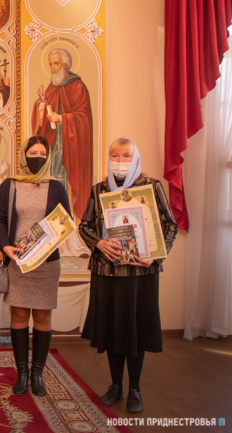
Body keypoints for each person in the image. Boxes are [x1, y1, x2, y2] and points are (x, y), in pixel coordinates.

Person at [79, 138, 178, 413]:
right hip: (107, 272)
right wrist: (99, 243)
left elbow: (170, 224)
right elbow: (84, 226)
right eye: (115, 155)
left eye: (126, 156)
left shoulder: (152, 187)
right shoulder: (98, 190)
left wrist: (156, 254)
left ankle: (135, 388)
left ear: (135, 159)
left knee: (136, 330)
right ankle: (115, 386)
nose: (120, 161)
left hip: (140, 274)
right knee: (112, 329)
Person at [0, 135, 71, 397]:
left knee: (42, 317)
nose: (37, 158)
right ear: (23, 155)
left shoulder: (56, 186)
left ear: (47, 158)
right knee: (18, 317)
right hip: (17, 262)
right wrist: (6, 247)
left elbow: (66, 221)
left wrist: (45, 244)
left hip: (47, 264)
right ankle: (22, 373)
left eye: (42, 154)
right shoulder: (10, 185)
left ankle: (37, 374)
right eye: (32, 153)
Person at [32, 48, 92, 221]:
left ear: (65, 65)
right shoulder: (52, 87)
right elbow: (43, 119)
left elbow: (84, 118)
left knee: (65, 182)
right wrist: (42, 103)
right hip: (53, 145)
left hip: (71, 148)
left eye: (56, 63)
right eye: (50, 64)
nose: (52, 68)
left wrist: (61, 118)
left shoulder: (78, 87)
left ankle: (68, 220)